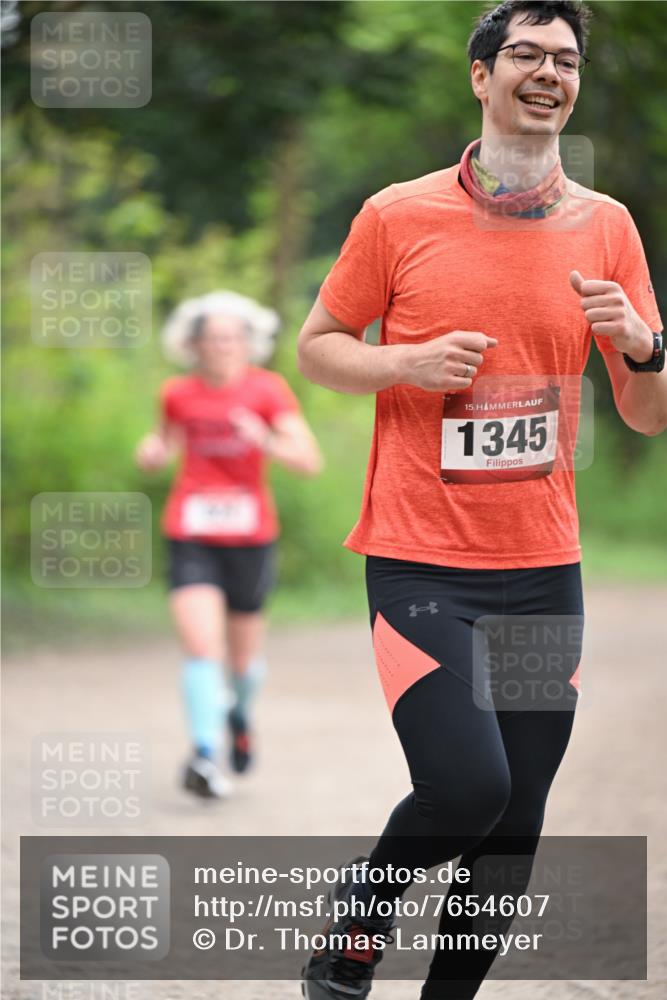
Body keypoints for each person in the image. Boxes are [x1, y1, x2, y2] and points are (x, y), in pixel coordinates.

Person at [297, 1, 665, 997]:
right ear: (479, 75)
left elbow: (647, 415)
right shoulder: (396, 215)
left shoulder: (608, 227)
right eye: (525, 54)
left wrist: (643, 345)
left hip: (542, 569)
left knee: (515, 824)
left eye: (566, 60)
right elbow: (317, 347)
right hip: (420, 560)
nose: (548, 73)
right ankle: (357, 923)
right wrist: (405, 362)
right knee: (467, 787)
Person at [136, 290, 322, 799]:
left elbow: (309, 461)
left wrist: (263, 438)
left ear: (248, 342)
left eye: (232, 338)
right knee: (201, 646)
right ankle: (203, 753)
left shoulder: (268, 391)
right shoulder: (177, 393)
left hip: (250, 539)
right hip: (191, 533)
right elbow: (164, 442)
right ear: (193, 344)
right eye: (213, 338)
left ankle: (239, 714)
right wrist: (152, 452)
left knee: (242, 663)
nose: (222, 346)